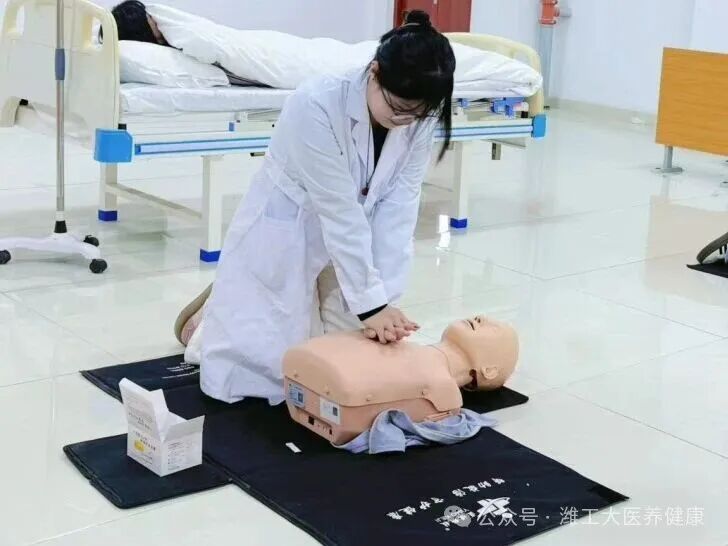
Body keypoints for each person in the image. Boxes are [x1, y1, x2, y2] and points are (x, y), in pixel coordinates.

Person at [184, 10, 455, 405]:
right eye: (397, 109)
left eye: (417, 114)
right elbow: (338, 210)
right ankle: (203, 323)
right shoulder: (316, 104)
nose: (405, 122)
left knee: (349, 358)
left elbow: (400, 205)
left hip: (350, 232)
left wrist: (384, 301)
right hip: (294, 220)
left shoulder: (419, 116)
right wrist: (372, 306)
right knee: (265, 368)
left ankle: (225, 310)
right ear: (375, 73)